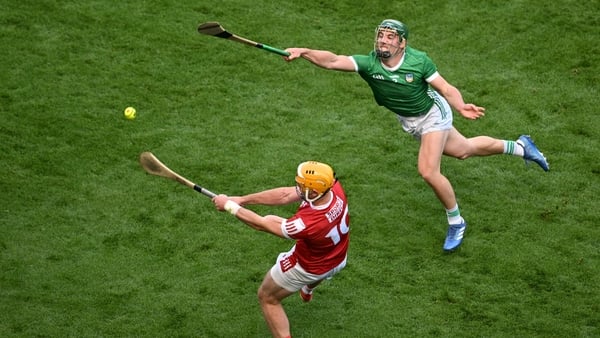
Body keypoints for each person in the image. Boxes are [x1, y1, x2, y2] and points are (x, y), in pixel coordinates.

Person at [283, 19, 549, 252]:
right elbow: (331, 60)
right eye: (380, 35)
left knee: (428, 171)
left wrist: (460, 105)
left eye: (390, 37)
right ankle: (521, 147)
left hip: (433, 114)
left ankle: (456, 222)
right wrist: (303, 51)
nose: (383, 41)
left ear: (402, 43)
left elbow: (445, 87)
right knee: (463, 150)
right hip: (411, 121)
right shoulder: (369, 63)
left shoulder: (418, 61)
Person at [212, 161, 350, 338]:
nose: (297, 188)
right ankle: (308, 290)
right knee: (323, 272)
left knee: (267, 298)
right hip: (338, 257)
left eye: (301, 186)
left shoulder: (306, 224)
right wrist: (241, 199)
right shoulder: (332, 187)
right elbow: (286, 195)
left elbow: (262, 224)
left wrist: (229, 206)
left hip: (307, 267)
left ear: (314, 191)